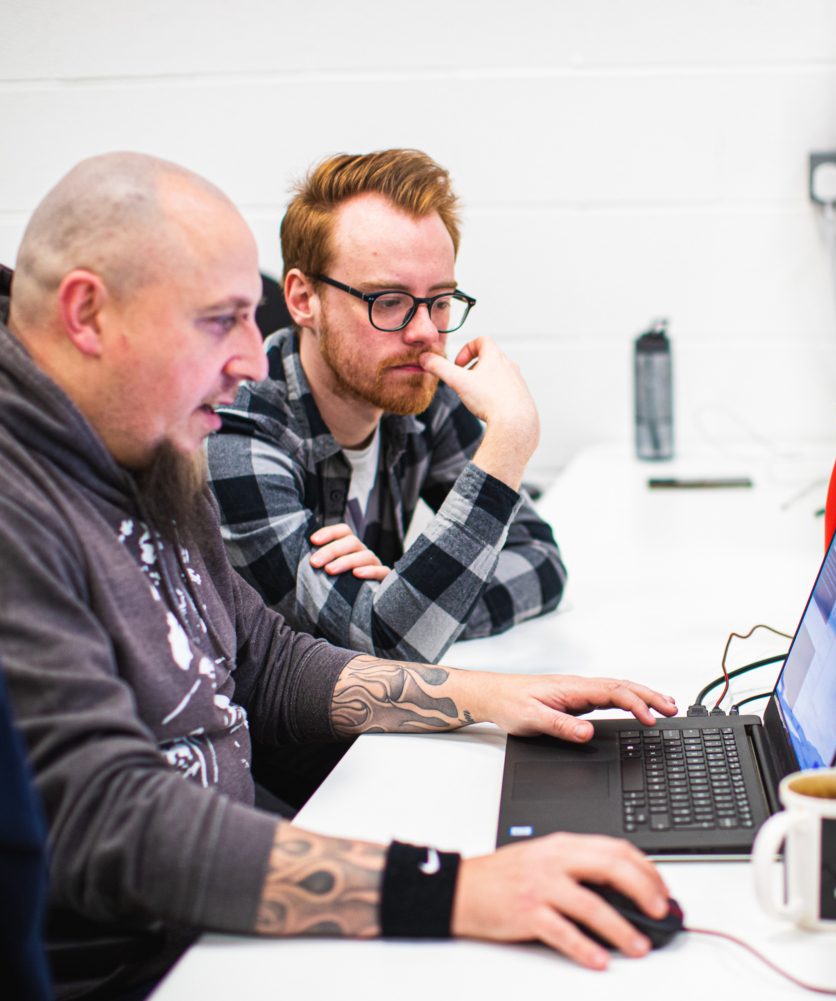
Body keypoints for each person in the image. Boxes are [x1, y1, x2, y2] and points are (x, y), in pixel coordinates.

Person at [0, 152, 678, 1000]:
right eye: (220, 322)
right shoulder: (20, 502)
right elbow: (114, 822)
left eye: (250, 321)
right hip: (150, 968)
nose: (252, 359)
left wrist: (482, 696)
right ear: (88, 314)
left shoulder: (143, 442)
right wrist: (458, 889)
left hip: (231, 908)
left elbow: (269, 657)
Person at [204, 148, 566, 670]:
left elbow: (542, 561)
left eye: (440, 301)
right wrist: (508, 439)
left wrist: (406, 599)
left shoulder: (420, 397)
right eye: (388, 301)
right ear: (303, 299)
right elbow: (383, 647)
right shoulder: (236, 433)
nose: (424, 334)